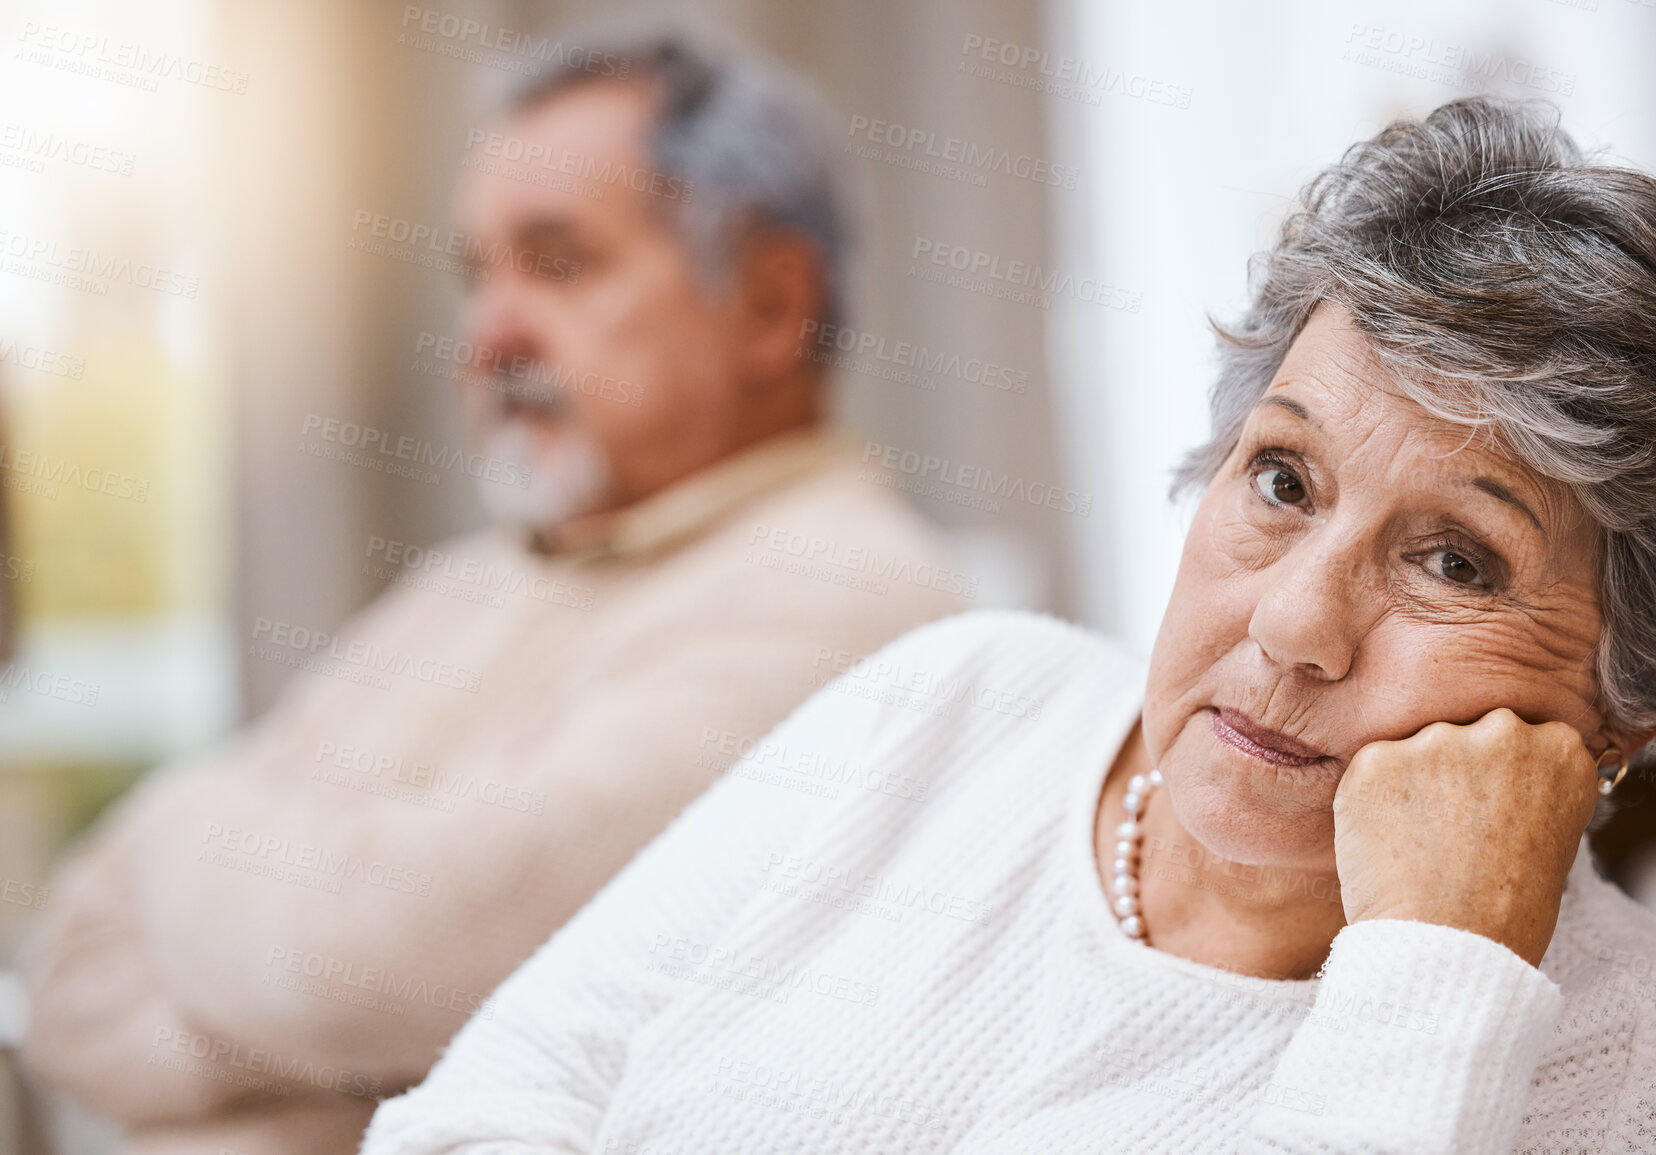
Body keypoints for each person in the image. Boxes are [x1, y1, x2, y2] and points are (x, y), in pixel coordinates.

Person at [361, 96, 1656, 1154]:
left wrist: (1435, 987)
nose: (1296, 619)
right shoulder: (964, 698)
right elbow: (470, 1115)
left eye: (1452, 559)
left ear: (1629, 686)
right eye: (1279, 477)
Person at [19, 27, 965, 1155]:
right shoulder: (472, 586)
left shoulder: (854, 596)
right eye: (478, 275)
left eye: (559, 262)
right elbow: (69, 967)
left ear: (770, 305)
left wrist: (181, 853)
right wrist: (341, 1034)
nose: (487, 335)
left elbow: (367, 961)